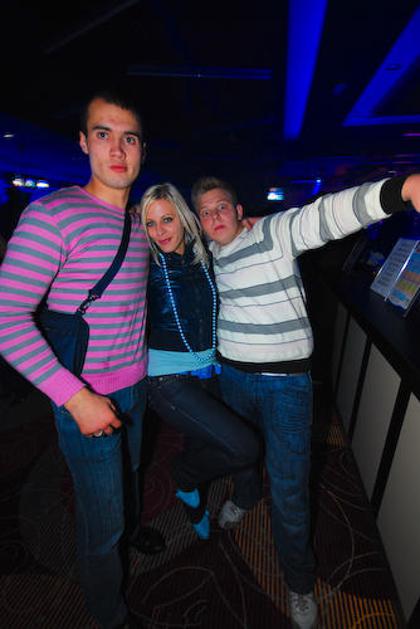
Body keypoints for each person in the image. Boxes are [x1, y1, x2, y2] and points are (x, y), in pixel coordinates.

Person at [192, 173, 420, 629]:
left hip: (286, 385)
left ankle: (298, 582)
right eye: (205, 212)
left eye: (222, 207)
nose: (215, 216)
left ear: (239, 211)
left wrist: (402, 190)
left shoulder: (273, 232)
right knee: (240, 454)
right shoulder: (208, 256)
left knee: (290, 488)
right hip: (232, 377)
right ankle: (246, 494)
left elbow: (327, 215)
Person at [0, 91, 166, 629]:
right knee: (102, 521)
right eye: (103, 134)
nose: (117, 149)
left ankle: (133, 527)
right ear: (82, 143)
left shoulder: (140, 222)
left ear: (142, 150)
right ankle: (109, 615)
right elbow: (6, 319)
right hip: (85, 396)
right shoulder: (52, 215)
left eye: (129, 138)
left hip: (136, 385)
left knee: (132, 472)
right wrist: (75, 398)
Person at [137, 182, 260, 539]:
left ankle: (192, 495)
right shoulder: (144, 263)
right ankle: (184, 477)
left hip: (211, 368)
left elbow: (238, 230)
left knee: (204, 440)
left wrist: (252, 223)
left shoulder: (205, 252)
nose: (160, 231)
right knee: (245, 446)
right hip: (167, 380)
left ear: (183, 218)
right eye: (150, 223)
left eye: (167, 220)